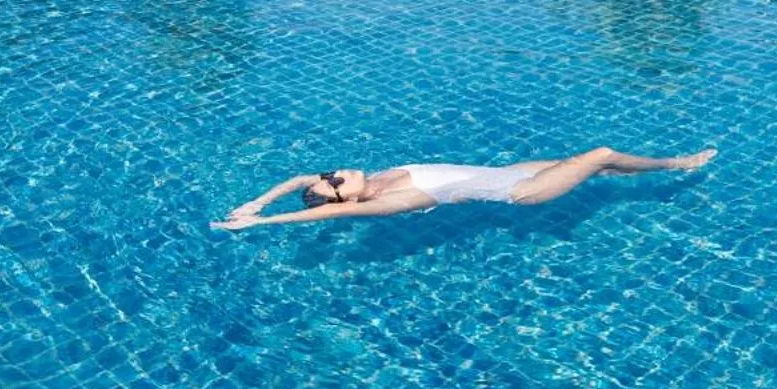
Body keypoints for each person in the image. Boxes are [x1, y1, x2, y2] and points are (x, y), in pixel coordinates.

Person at [211, 146, 717, 230]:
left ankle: (664, 168)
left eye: (329, 174)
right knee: (602, 156)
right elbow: (322, 212)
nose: (331, 175)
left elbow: (301, 181)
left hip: (512, 171)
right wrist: (265, 222)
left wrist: (258, 198)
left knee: (603, 169)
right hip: (523, 192)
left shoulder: (364, 179)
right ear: (344, 198)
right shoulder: (396, 201)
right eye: (334, 183)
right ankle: (679, 164)